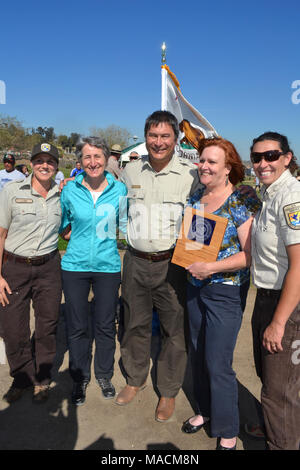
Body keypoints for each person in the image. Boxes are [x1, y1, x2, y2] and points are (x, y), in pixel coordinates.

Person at [115, 110, 201, 422]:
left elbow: (201, 222)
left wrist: (195, 261)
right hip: (135, 261)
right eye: (153, 136)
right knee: (134, 323)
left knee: (174, 331)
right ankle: (135, 379)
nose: (159, 142)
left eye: (165, 136)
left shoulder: (191, 175)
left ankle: (167, 390)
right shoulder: (132, 172)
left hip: (172, 266)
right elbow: (118, 212)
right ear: (145, 137)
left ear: (176, 140)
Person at [181, 137, 260, 450]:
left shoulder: (242, 201)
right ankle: (205, 411)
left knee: (218, 362)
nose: (204, 166)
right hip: (194, 288)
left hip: (224, 292)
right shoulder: (198, 196)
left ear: (228, 169)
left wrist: (210, 268)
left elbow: (250, 254)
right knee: (199, 355)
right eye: (202, 160)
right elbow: (195, 242)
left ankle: (227, 431)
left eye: (212, 162)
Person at [59, 136, 127, 406]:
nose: (93, 162)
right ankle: (80, 377)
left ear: (106, 159)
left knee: (105, 324)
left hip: (107, 266)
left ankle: (103, 374)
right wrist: (77, 237)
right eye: (87, 157)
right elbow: (63, 226)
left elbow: (125, 222)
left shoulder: (119, 190)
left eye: (97, 156)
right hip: (74, 266)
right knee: (76, 325)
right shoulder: (69, 189)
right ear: (80, 161)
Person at [0, 142, 62, 404]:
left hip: (48, 267)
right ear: (32, 164)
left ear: (56, 166)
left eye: (49, 161)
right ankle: (22, 377)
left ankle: (43, 378)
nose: (44, 165)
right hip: (14, 267)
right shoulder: (11, 191)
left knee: (47, 325)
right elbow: (0, 234)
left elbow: (69, 228)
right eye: (39, 160)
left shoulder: (63, 194)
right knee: (13, 327)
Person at [249, 131, 300, 450]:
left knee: (279, 391)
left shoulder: (290, 197)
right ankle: (276, 427)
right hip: (266, 297)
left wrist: (279, 323)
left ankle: (282, 441)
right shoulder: (269, 193)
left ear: (286, 158)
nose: (263, 163)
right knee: (271, 380)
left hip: (287, 305)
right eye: (257, 157)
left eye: (271, 156)